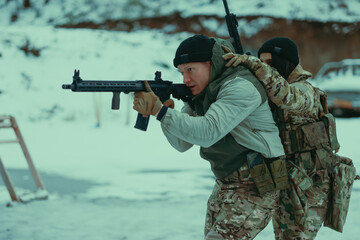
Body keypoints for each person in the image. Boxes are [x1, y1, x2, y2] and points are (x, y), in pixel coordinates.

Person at [133, 34, 287, 239]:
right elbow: (182, 143)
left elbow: (208, 132)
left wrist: (161, 112)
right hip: (226, 182)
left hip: (256, 184)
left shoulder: (240, 86)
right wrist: (164, 115)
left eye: (191, 70)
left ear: (210, 64)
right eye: (181, 72)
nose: (185, 79)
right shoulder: (204, 92)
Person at [222, 37, 344, 239]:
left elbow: (286, 96)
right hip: (286, 179)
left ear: (286, 62)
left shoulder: (305, 91)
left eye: (269, 63)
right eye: (262, 62)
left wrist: (254, 63)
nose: (265, 68)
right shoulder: (268, 90)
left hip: (311, 184)